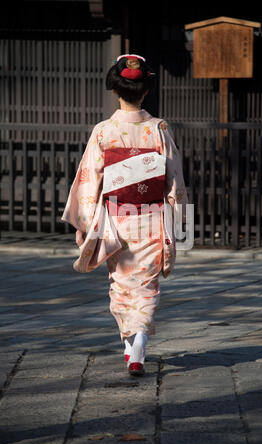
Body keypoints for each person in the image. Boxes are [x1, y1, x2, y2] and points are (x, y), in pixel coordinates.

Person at [61, 54, 188, 376]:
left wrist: (88, 220)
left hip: (117, 219)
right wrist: (180, 217)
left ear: (116, 90)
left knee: (120, 283)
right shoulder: (158, 128)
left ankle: (133, 347)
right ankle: (139, 343)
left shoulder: (104, 131)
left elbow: (89, 177)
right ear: (145, 91)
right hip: (151, 218)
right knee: (146, 285)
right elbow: (174, 178)